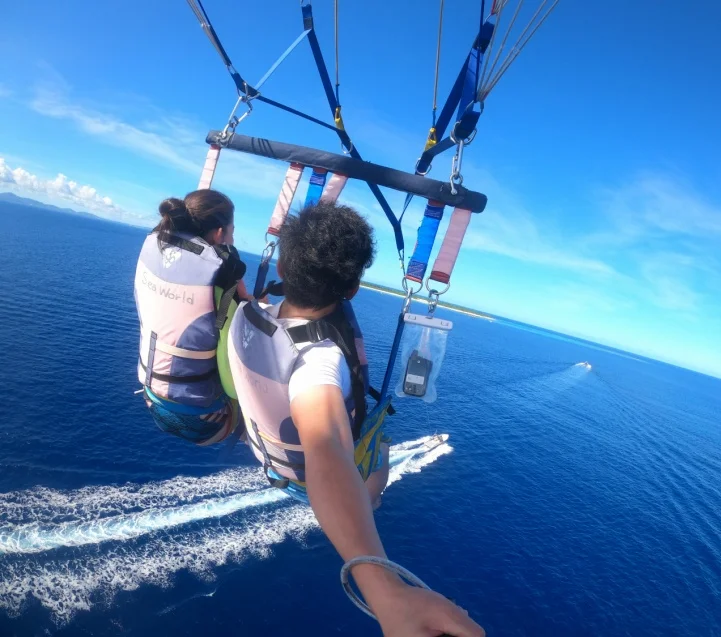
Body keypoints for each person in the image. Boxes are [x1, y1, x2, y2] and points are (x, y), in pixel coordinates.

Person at [228, 201, 484, 636]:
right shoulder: (319, 362)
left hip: (264, 448)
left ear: (285, 266)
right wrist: (386, 593)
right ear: (352, 290)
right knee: (379, 460)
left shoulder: (245, 314)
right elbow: (327, 450)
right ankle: (368, 497)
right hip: (301, 475)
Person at [134, 189, 250, 446]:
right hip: (201, 421)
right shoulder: (221, 289)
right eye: (232, 230)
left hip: (151, 398)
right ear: (220, 232)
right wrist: (245, 304)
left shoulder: (154, 249)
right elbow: (232, 384)